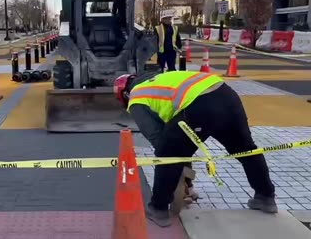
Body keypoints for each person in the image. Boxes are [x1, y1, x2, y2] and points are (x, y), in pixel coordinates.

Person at [113, 71, 277, 227]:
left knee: (168, 154)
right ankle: (266, 196)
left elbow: (158, 138)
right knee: (246, 150)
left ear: (125, 94)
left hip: (201, 104)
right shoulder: (161, 79)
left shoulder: (136, 97)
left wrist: (178, 161)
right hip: (226, 94)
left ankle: (158, 208)